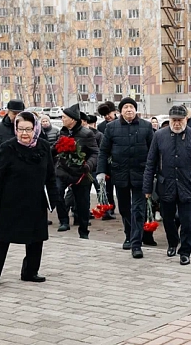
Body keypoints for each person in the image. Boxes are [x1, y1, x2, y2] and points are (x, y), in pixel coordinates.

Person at [0, 112, 60, 287]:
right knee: (2, 239)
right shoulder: (8, 147)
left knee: (36, 238)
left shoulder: (44, 147)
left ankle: (30, 272)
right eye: (21, 129)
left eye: (28, 129)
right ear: (15, 129)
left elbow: (50, 176)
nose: (24, 133)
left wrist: (54, 199)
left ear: (35, 129)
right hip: (11, 201)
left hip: (35, 200)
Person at [98, 97, 156, 257]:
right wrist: (101, 171)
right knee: (124, 208)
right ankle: (129, 235)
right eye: (125, 107)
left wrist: (155, 171)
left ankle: (136, 244)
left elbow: (153, 151)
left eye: (131, 107)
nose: (129, 110)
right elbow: (103, 152)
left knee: (138, 209)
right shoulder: (111, 128)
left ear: (135, 110)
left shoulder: (146, 126)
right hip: (120, 173)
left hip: (141, 174)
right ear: (120, 111)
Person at [142, 105, 191, 265]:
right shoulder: (159, 136)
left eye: (180, 120)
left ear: (185, 120)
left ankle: (185, 251)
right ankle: (173, 242)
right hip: (165, 184)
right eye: (173, 120)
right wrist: (147, 188)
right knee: (168, 219)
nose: (176, 123)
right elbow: (151, 162)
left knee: (187, 221)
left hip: (187, 184)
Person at [53, 104, 99, 239]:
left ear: (72, 119)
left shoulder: (87, 133)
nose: (62, 119)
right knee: (57, 193)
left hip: (80, 173)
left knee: (82, 203)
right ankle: (64, 221)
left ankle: (84, 230)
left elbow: (95, 153)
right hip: (62, 171)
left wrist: (88, 165)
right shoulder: (62, 132)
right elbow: (56, 148)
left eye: (64, 117)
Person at [0, 99, 25, 169]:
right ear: (8, 112)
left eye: (19, 114)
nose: (17, 116)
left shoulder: (30, 128)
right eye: (14, 113)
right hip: (5, 172)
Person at [96, 102, 118, 216]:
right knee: (108, 186)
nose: (107, 117)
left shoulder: (121, 123)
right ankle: (110, 206)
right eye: (104, 115)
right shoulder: (101, 127)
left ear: (114, 112)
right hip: (108, 160)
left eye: (109, 113)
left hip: (120, 161)